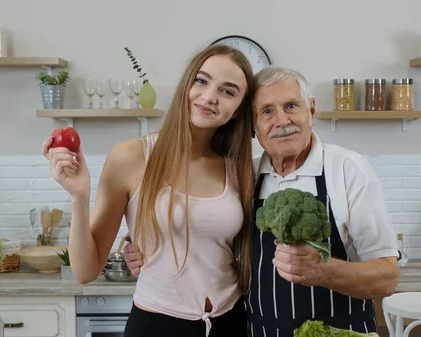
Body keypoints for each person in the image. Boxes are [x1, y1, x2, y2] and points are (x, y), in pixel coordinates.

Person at [124, 66, 401, 337]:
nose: (282, 121)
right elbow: (211, 241)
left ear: (312, 111)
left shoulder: (347, 169)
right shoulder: (243, 174)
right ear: (253, 127)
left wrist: (323, 270)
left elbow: (388, 277)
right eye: (267, 111)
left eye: (291, 106)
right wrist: (147, 244)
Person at [42, 44, 257, 337]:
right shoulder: (132, 157)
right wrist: (79, 197)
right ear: (186, 85)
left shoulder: (239, 169)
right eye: (201, 81)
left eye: (228, 91)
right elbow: (85, 271)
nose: (209, 97)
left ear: (236, 111)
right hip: (157, 324)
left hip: (230, 321)